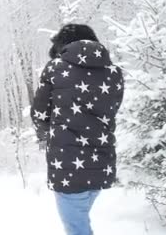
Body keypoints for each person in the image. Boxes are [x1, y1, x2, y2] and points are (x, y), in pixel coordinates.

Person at [31, 24, 124, 235]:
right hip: (102, 164)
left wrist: (46, 136)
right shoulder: (114, 73)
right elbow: (110, 112)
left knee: (77, 229)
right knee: (79, 221)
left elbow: (39, 113)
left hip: (67, 165)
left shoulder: (55, 68)